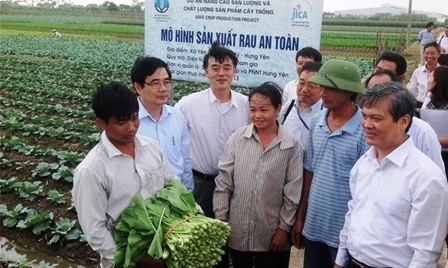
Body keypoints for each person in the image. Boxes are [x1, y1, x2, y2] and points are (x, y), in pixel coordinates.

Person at [334, 82, 448, 268]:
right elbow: (353, 212)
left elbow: (425, 253)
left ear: (403, 121)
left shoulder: (426, 177)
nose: (366, 124)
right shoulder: (364, 163)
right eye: (364, 116)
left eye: (376, 118)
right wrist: (340, 260)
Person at [72, 82, 175, 268]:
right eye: (121, 122)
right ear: (101, 124)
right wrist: (136, 259)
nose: (131, 127)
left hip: (167, 248)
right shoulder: (91, 170)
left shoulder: (151, 147)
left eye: (135, 118)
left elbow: (172, 185)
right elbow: (95, 231)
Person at [213, 82, 303, 268]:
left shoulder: (291, 145)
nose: (257, 115)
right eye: (253, 110)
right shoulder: (238, 138)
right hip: (238, 230)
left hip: (271, 233)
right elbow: (223, 182)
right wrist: (221, 220)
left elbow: (293, 191)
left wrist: (282, 229)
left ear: (278, 109)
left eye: (264, 109)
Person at [291, 59, 369, 266]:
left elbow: (367, 186)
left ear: (348, 92)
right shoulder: (317, 121)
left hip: (345, 232)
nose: (323, 93)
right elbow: (310, 171)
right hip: (315, 225)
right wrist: (301, 217)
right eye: (322, 86)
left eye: (330, 88)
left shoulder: (364, 129)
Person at [175, 41, 250, 220]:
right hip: (199, 184)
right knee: (198, 235)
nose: (221, 73)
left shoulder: (246, 105)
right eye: (215, 68)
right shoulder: (188, 104)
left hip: (235, 184)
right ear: (206, 72)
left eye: (227, 67)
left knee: (230, 236)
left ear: (235, 72)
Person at [131, 56, 194, 192]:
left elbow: (185, 160)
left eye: (166, 82)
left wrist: (188, 193)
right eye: (155, 83)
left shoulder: (177, 117)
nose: (163, 89)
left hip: (177, 196)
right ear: (138, 87)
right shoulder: (128, 123)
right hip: (143, 200)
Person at [366, 69, 445, 172]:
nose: (375, 95)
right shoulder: (364, 163)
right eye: (370, 90)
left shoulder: (422, 132)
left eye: (383, 91)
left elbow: (436, 175)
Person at [280, 61, 323, 150]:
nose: (304, 90)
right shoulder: (288, 107)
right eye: (301, 83)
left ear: (323, 88)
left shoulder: (326, 114)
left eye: (311, 85)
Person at [421, 65, 448, 176]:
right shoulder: (430, 99)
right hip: (431, 150)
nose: (428, 80)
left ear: (438, 81)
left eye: (431, 77)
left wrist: (434, 140)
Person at [407, 41, 441, 107]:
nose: (429, 56)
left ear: (439, 54)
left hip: (437, 107)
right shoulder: (417, 72)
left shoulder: (443, 72)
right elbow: (412, 91)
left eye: (433, 53)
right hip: (419, 105)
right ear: (423, 54)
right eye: (427, 53)